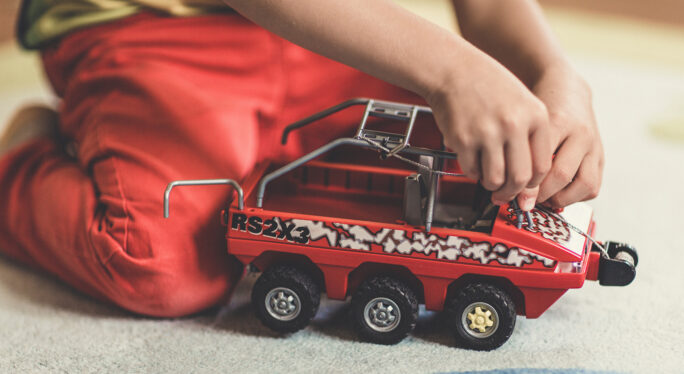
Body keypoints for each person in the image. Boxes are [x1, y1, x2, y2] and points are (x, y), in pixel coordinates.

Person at [0, 0, 603, 316]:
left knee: (488, 146)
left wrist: (555, 76)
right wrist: (452, 70)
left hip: (339, 25)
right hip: (154, 31)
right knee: (160, 262)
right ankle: (23, 156)